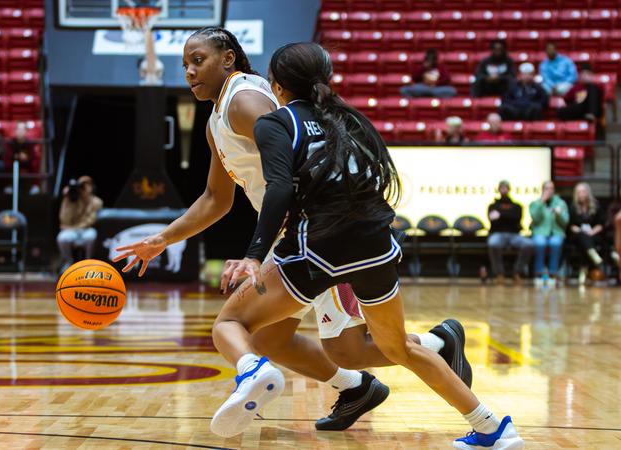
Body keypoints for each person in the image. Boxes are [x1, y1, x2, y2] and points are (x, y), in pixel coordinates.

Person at [118, 41, 518, 448]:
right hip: (370, 236)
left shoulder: (251, 104)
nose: (189, 71)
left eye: (197, 61)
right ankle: (477, 413)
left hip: (309, 237)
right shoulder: (341, 117)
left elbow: (282, 182)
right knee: (328, 346)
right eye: (185, 63)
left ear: (258, 75)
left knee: (235, 326)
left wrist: (255, 255)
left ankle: (255, 373)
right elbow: (217, 199)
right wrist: (163, 239)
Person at [486, 180, 534, 284]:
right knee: (493, 243)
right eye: (501, 187)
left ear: (509, 189)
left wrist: (500, 215)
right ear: (498, 189)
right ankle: (499, 273)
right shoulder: (492, 206)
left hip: (514, 235)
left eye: (505, 187)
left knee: (529, 244)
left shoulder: (517, 206)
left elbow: (517, 217)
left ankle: (517, 272)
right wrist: (508, 215)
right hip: (498, 234)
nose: (503, 189)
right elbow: (492, 219)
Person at [58, 176, 102, 270]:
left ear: (92, 187)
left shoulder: (97, 202)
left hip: (86, 229)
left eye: (86, 186)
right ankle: (69, 262)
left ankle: (88, 262)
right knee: (62, 238)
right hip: (72, 230)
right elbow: (64, 220)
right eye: (81, 186)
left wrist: (71, 228)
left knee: (91, 236)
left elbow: (90, 221)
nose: (84, 189)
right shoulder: (72, 199)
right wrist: (67, 199)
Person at [529, 181, 569, 287]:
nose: (549, 191)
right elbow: (535, 219)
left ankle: (552, 273)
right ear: (542, 190)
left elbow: (565, 222)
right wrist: (542, 202)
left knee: (555, 244)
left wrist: (559, 214)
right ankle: (539, 273)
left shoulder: (561, 203)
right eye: (546, 188)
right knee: (540, 244)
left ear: (554, 190)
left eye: (551, 188)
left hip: (556, 233)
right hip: (540, 232)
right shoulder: (536, 203)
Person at [569, 182, 605, 284]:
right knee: (582, 237)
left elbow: (601, 224)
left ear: (588, 192)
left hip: (594, 234)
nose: (581, 194)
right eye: (579, 192)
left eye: (583, 191)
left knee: (586, 242)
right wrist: (581, 231)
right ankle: (593, 257)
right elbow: (571, 225)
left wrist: (592, 231)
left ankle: (583, 270)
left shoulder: (596, 205)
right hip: (578, 234)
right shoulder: (573, 207)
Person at [5, 122, 41, 195]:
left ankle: (33, 186)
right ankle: (9, 186)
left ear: (26, 131)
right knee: (6, 165)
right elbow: (8, 155)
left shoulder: (30, 143)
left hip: (27, 165)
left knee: (34, 165)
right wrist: (18, 156)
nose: (20, 131)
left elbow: (32, 156)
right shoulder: (10, 142)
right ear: (15, 131)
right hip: (13, 165)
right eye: (18, 129)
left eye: (23, 129)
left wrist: (26, 158)